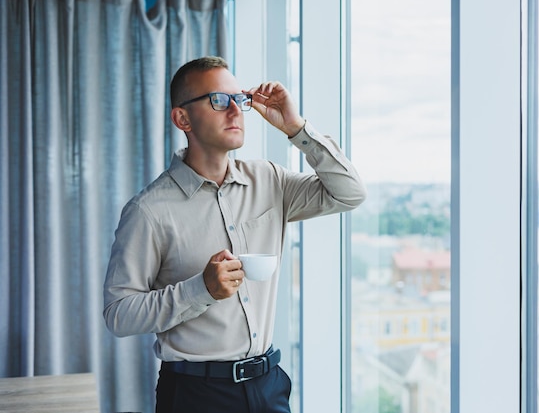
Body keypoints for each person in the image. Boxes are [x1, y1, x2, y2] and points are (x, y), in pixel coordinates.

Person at [102, 56, 366, 413]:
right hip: (195, 395)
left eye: (238, 100)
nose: (236, 112)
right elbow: (119, 314)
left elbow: (349, 193)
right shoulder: (148, 211)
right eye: (218, 100)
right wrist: (201, 290)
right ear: (182, 118)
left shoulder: (270, 180)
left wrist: (296, 128)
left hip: (269, 386)